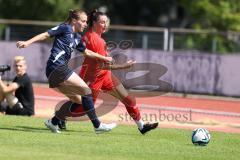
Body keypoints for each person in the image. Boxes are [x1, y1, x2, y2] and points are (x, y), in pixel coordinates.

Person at [56, 10, 159, 134]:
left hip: (105, 75)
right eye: (102, 22)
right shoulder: (94, 39)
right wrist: (124, 66)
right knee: (83, 107)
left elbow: (103, 66)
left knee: (129, 100)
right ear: (94, 23)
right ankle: (59, 118)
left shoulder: (97, 38)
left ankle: (142, 126)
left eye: (106, 22)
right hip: (92, 77)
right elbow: (104, 65)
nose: (105, 25)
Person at [16, 9, 117, 134]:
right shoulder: (65, 28)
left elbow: (87, 52)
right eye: (83, 21)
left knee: (79, 100)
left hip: (56, 71)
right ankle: (98, 126)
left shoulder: (77, 37)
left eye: (86, 21)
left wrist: (104, 58)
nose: (86, 24)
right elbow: (46, 34)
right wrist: (27, 42)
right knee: (87, 91)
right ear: (74, 21)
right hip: (56, 67)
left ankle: (53, 122)